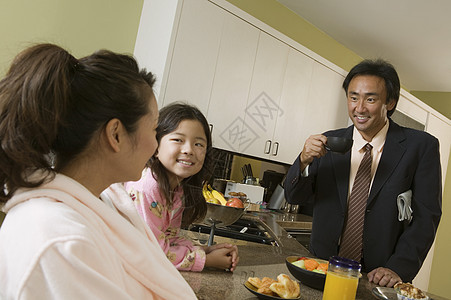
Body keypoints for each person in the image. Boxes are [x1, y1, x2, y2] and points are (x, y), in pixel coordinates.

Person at [0, 43, 197, 299]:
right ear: (116, 134)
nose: (154, 144)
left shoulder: (110, 199)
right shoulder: (59, 240)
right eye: (153, 129)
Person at [284, 59, 442, 287]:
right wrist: (303, 160)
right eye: (353, 97)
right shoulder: (328, 142)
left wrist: (397, 268)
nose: (359, 108)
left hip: (378, 277)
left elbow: (426, 217)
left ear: (390, 102)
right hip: (323, 269)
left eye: (370, 99)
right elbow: (294, 197)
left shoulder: (420, 147)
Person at [123, 102, 240, 272]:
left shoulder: (176, 189)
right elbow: (152, 252)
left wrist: (204, 250)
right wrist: (207, 260)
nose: (189, 150)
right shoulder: (148, 185)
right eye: (178, 140)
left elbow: (169, 239)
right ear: (155, 146)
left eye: (198, 144)